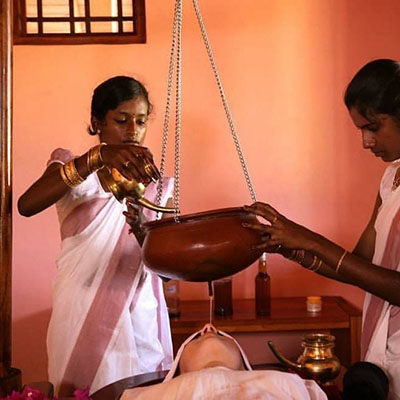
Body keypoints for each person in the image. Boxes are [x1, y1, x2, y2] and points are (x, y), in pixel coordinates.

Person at [242, 59, 400, 400]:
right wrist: (292, 246)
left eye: (373, 126)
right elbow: (360, 265)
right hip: (384, 344)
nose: (366, 142)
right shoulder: (391, 179)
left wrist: (310, 239)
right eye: (360, 129)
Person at [17, 76, 174, 396]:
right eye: (121, 120)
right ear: (96, 123)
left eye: (141, 121)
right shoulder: (70, 167)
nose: (132, 131)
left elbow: (168, 271)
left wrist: (144, 234)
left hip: (139, 317)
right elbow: (26, 205)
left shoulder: (157, 186)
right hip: (79, 311)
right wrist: (96, 158)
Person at [120, 323, 327, 400]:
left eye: (221, 335)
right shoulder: (144, 396)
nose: (208, 328)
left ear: (243, 365)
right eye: (197, 338)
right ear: (179, 371)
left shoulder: (292, 384)